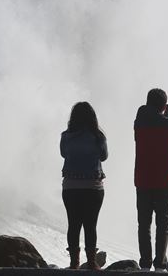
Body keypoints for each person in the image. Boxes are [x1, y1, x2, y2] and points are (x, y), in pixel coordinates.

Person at [134, 88, 168, 271]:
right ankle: (159, 265)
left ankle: (145, 265)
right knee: (162, 223)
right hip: (165, 180)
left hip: (143, 179)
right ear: (164, 106)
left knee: (144, 223)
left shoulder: (138, 123)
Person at [60, 102, 108, 270]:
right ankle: (92, 262)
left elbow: (63, 153)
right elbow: (104, 156)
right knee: (90, 225)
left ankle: (74, 262)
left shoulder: (66, 136)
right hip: (93, 187)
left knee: (73, 225)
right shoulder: (98, 136)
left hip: (71, 187)